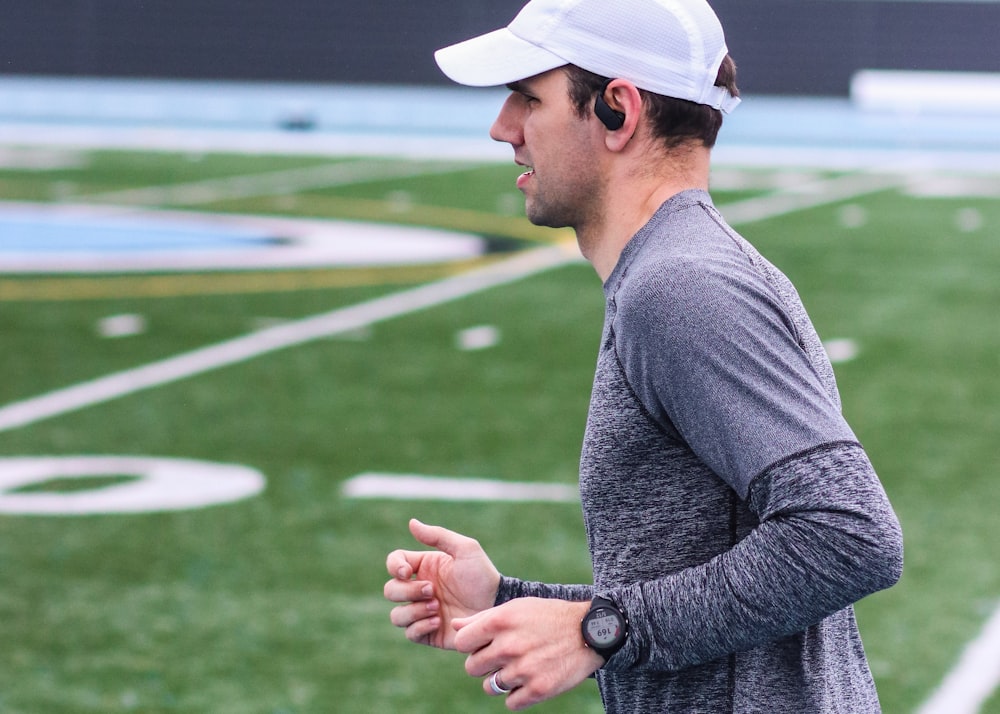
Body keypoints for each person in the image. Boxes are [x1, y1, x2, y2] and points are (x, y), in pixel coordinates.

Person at [383, 0, 904, 711]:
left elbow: (849, 534)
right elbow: (700, 578)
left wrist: (599, 630)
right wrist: (513, 603)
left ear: (617, 112)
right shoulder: (674, 273)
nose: (503, 128)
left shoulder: (681, 287)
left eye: (529, 98)